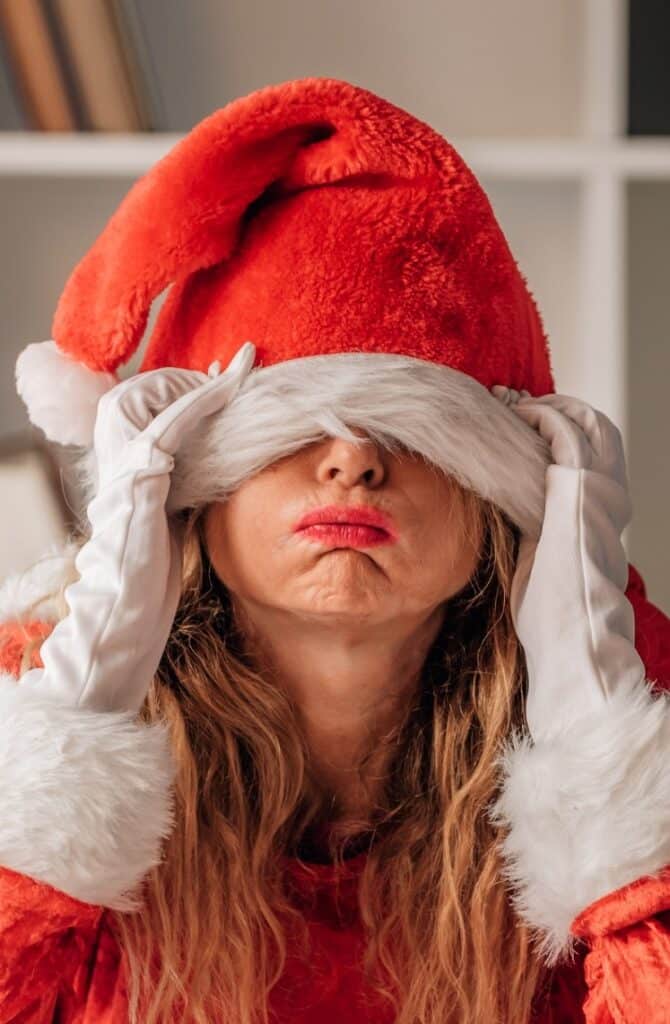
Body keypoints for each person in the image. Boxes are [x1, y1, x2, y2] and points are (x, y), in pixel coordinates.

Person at [1, 76, 669, 1024]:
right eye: (287, 429)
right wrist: (74, 719)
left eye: (420, 429)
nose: (353, 459)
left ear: (497, 500)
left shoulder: (639, 713)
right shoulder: (29, 702)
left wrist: (609, 757)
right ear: (187, 492)